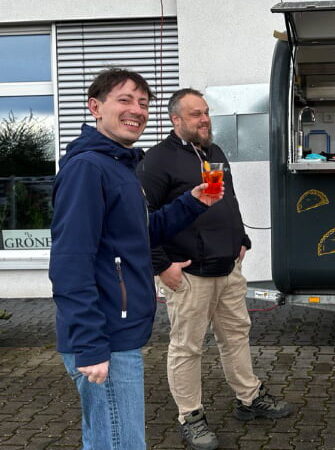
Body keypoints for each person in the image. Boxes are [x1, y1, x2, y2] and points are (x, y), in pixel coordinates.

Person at [49, 69, 222, 449]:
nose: (137, 110)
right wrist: (91, 344)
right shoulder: (88, 169)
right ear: (95, 107)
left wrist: (192, 202)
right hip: (105, 337)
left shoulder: (118, 166)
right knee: (122, 443)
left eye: (143, 103)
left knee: (103, 440)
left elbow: (137, 237)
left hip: (116, 331)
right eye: (124, 100)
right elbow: (70, 262)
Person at [137, 88, 292, 450]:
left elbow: (228, 200)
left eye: (206, 112)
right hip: (188, 274)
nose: (205, 119)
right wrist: (162, 267)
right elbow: (141, 221)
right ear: (175, 120)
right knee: (187, 348)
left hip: (227, 268)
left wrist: (242, 239)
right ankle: (190, 416)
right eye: (195, 114)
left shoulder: (215, 153)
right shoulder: (156, 161)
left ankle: (249, 399)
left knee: (236, 337)